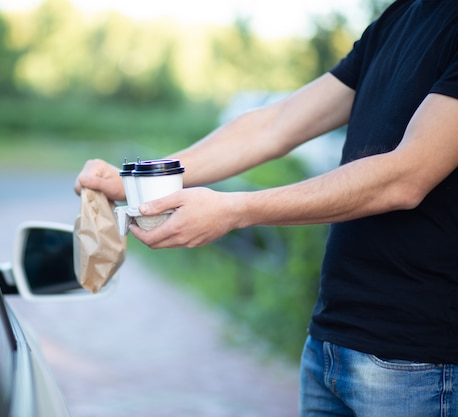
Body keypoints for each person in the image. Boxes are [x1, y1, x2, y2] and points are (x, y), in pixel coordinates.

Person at [74, 1, 458, 415]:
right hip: (332, 338)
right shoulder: (403, 15)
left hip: (420, 362)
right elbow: (277, 123)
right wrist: (137, 178)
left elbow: (407, 176)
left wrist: (235, 210)